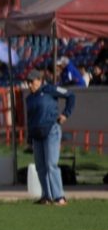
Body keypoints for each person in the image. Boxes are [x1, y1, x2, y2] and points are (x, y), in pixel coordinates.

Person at [24, 69, 76, 206]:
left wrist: (66, 114)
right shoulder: (29, 98)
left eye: (32, 81)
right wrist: (29, 137)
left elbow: (70, 95)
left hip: (51, 130)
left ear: (39, 80)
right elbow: (29, 119)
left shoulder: (49, 89)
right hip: (36, 134)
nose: (29, 85)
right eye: (27, 82)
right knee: (40, 166)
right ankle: (46, 196)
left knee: (51, 164)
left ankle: (59, 196)